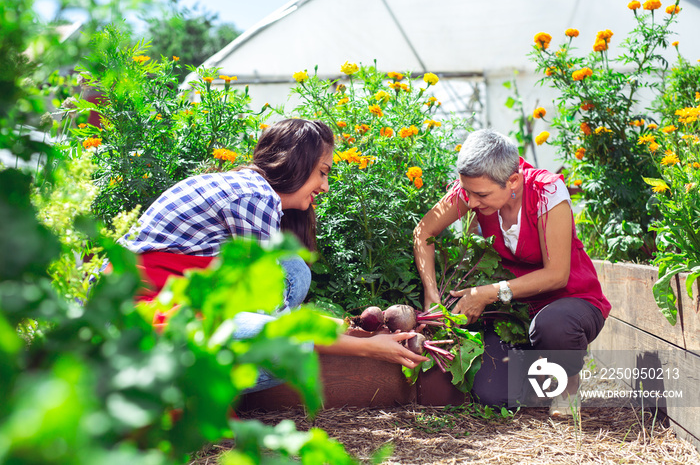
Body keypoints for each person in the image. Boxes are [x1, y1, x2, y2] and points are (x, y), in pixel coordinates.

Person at [119, 118, 428, 392]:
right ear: (297, 162)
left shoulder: (250, 189)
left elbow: (270, 310)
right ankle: (184, 385)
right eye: (322, 172)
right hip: (143, 319)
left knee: (293, 271)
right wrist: (368, 348)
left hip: (174, 299)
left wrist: (351, 326)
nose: (325, 186)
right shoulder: (256, 197)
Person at [413, 128, 610, 415]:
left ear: (513, 180)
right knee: (492, 395)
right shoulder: (473, 191)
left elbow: (557, 275)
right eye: (466, 191)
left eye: (481, 195)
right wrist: (431, 292)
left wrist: (489, 292)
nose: (471, 203)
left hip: (570, 303)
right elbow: (423, 232)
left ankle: (568, 382)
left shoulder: (548, 192)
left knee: (553, 327)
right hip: (514, 311)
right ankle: (537, 370)